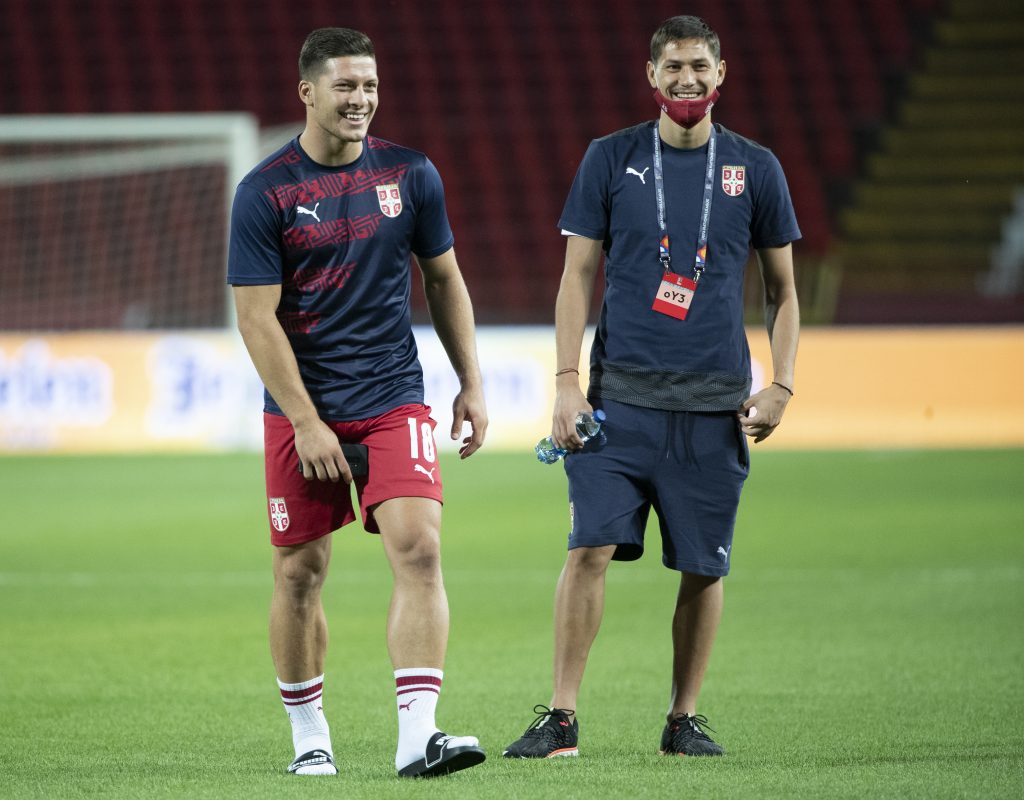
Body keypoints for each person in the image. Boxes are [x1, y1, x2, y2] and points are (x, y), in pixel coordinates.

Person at [504, 15, 800, 759]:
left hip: (714, 407)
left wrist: (784, 383)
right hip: (618, 401)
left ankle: (682, 719)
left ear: (721, 73)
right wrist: (567, 384)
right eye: (672, 68)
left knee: (704, 566)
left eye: (699, 66)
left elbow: (784, 293)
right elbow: (575, 276)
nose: (686, 80)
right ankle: (562, 718)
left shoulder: (755, 169)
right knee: (589, 550)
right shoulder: (610, 159)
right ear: (651, 76)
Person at [227, 27, 488, 779]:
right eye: (346, 85)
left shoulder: (411, 174)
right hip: (300, 406)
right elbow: (255, 316)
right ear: (306, 91)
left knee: (421, 546)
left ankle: (418, 737)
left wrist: (470, 381)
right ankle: (310, 736)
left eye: (370, 85)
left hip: (391, 394)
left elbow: (444, 280)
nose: (361, 99)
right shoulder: (265, 191)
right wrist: (305, 420)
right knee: (300, 573)